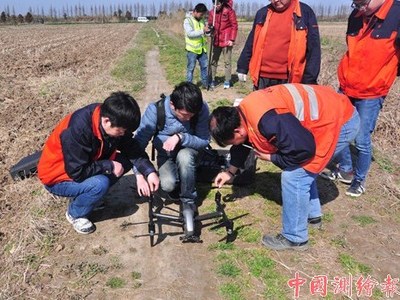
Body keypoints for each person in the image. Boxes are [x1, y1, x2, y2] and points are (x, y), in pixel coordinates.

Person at [209, 84, 360, 250]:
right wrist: (230, 171)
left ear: (238, 131)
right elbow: (243, 144)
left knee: (295, 176)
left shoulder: (268, 121)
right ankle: (312, 215)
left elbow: (304, 150)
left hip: (340, 121)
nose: (232, 145)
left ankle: (295, 237)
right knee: (304, 170)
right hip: (327, 115)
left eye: (230, 142)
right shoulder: (242, 114)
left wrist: (273, 157)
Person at [38, 92, 160, 234]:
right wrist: (109, 165)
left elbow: (132, 148)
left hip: (83, 165)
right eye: (120, 131)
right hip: (58, 177)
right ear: (107, 121)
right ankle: (75, 213)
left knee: (125, 161)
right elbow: (77, 172)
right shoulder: (78, 130)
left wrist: (149, 171)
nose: (122, 134)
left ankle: (89, 196)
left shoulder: (113, 118)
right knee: (100, 184)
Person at [321, 0, 400, 197]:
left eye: (363, 4)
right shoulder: (356, 17)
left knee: (361, 138)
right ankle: (346, 169)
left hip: (372, 92)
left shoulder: (397, 14)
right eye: (355, 5)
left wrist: (384, 77)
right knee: (338, 129)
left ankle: (359, 180)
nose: (359, 9)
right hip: (347, 87)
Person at [134, 82, 210, 216]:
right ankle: (182, 178)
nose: (189, 118)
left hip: (190, 151)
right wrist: (140, 174)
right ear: (172, 105)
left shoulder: (201, 108)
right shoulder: (155, 110)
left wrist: (180, 137)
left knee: (184, 157)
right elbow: (138, 144)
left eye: (192, 115)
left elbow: (204, 140)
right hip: (166, 155)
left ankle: (188, 200)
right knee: (168, 185)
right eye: (184, 115)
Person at [236, 0, 321, 90]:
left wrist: (309, 79)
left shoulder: (305, 12)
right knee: (261, 104)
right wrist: (242, 66)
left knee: (285, 104)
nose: (275, 0)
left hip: (289, 80)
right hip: (262, 78)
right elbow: (252, 41)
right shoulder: (262, 13)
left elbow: (314, 49)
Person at [208, 0, 238, 89]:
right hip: (216, 40)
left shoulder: (229, 11)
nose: (215, 5)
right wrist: (210, 29)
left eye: (217, 4)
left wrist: (232, 39)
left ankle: (227, 80)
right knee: (213, 61)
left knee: (227, 62)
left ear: (222, 3)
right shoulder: (211, 13)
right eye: (214, 4)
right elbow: (210, 24)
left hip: (226, 40)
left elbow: (234, 25)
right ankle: (212, 79)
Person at [184, 3, 210, 88]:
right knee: (190, 69)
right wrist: (203, 31)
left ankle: (205, 84)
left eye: (203, 14)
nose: (202, 16)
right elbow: (190, 34)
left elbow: (204, 33)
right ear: (195, 11)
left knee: (204, 67)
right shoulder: (188, 21)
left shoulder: (202, 21)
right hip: (192, 50)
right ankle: (189, 87)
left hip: (202, 49)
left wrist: (209, 32)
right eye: (201, 14)